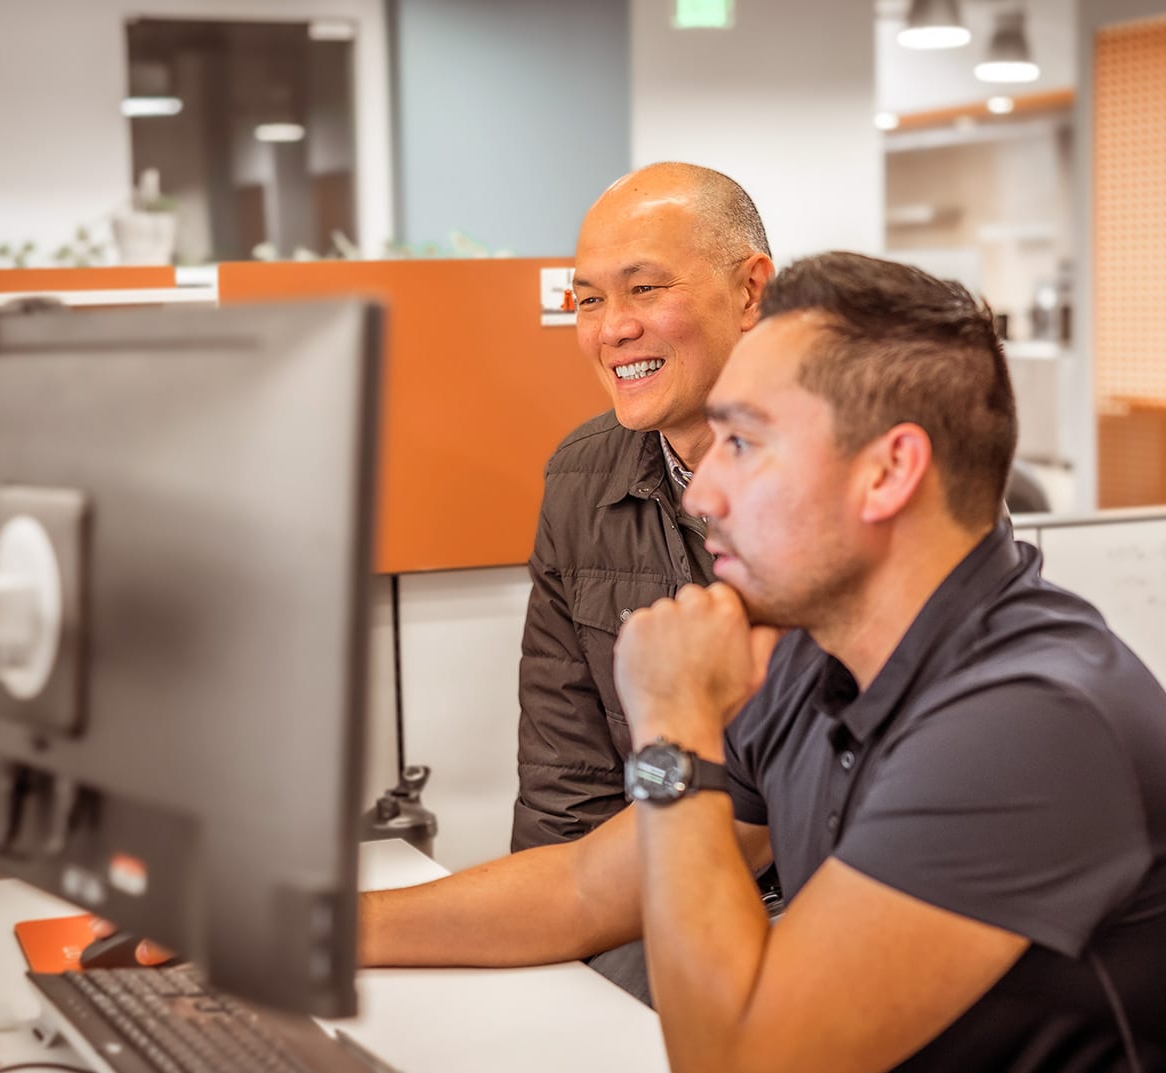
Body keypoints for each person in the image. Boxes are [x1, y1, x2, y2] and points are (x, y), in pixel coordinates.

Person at [361, 252, 1166, 1072]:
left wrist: (675, 724)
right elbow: (582, 888)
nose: (697, 495)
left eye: (743, 442)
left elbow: (741, 1061)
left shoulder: (1029, 722)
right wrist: (316, 929)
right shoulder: (814, 662)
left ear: (889, 471)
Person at [513, 161, 774, 852]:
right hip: (635, 898)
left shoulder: (855, 478)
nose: (612, 330)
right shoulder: (581, 478)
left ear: (750, 291)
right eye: (590, 300)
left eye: (644, 289)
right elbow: (564, 796)